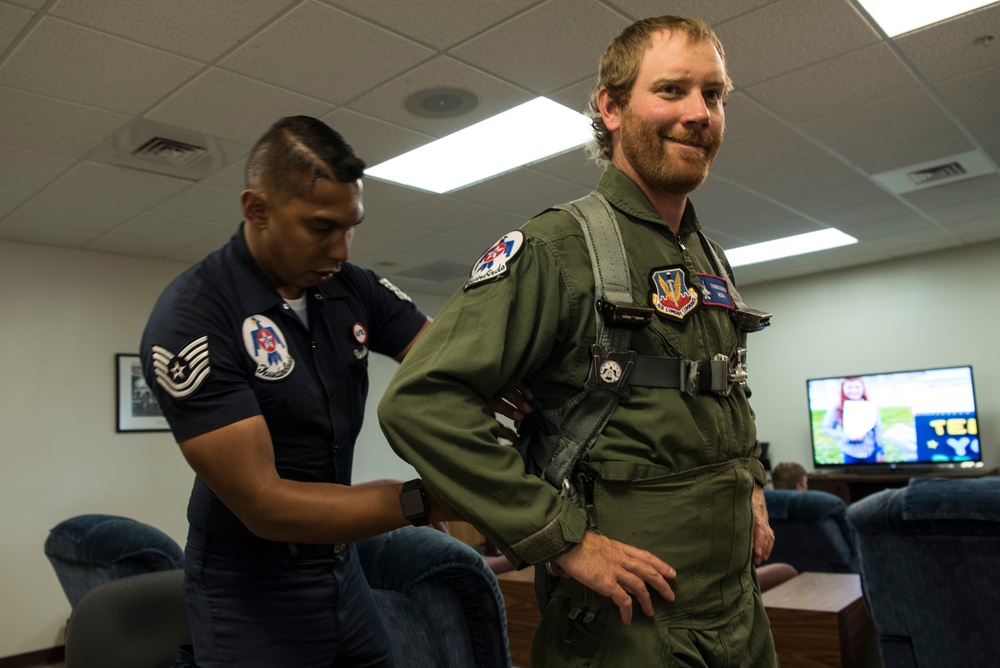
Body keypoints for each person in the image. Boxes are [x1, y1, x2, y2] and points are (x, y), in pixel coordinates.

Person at [378, 15, 777, 668]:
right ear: (611, 107)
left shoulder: (710, 258)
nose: (700, 113)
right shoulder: (558, 249)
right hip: (631, 626)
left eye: (714, 94)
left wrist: (751, 482)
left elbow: (723, 387)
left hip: (737, 610)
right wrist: (561, 540)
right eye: (672, 90)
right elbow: (420, 402)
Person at [140, 116, 527, 667]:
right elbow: (265, 506)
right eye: (321, 227)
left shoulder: (351, 288)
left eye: (351, 226)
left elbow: (445, 363)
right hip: (250, 585)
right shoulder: (193, 319)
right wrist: (422, 499)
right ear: (257, 209)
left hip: (339, 568)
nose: (342, 249)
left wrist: (516, 394)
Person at [822, 376, 884, 464]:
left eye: (857, 387)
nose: (853, 390)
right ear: (843, 389)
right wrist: (848, 437)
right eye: (849, 387)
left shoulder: (870, 405)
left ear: (863, 388)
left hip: (871, 453)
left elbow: (878, 430)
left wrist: (880, 452)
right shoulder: (837, 407)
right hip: (849, 454)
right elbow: (827, 429)